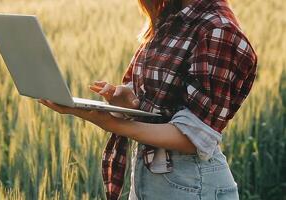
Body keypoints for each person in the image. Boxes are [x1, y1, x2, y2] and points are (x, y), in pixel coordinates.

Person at [39, 0, 257, 199]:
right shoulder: (170, 15)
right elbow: (154, 102)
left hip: (193, 186)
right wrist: (126, 99)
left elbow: (193, 138)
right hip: (148, 177)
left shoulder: (218, 29)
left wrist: (111, 123)